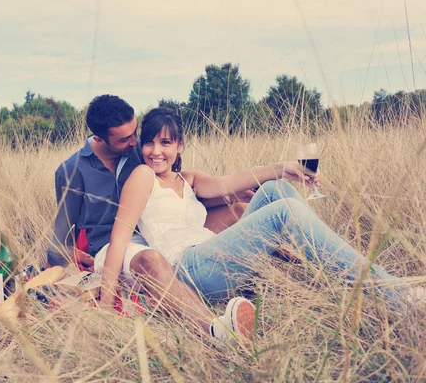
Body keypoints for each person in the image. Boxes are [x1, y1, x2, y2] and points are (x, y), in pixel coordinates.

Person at [98, 106, 424, 344]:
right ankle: (395, 295)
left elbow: (231, 182)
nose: (156, 152)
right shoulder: (142, 177)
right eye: (150, 143)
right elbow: (120, 236)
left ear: (180, 146)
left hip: (211, 256)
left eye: (165, 143)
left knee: (275, 190)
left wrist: (282, 169)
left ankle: (334, 273)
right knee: (283, 212)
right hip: (186, 268)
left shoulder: (189, 179)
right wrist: (105, 301)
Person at [47, 95, 254, 343]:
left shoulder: (142, 149)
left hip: (161, 234)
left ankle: (277, 276)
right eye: (125, 139)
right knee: (150, 258)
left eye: (135, 133)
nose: (135, 142)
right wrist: (65, 270)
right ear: (100, 139)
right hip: (116, 246)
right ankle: (214, 331)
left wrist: (229, 197)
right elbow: (63, 231)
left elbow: (173, 191)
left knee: (239, 208)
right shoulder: (72, 171)